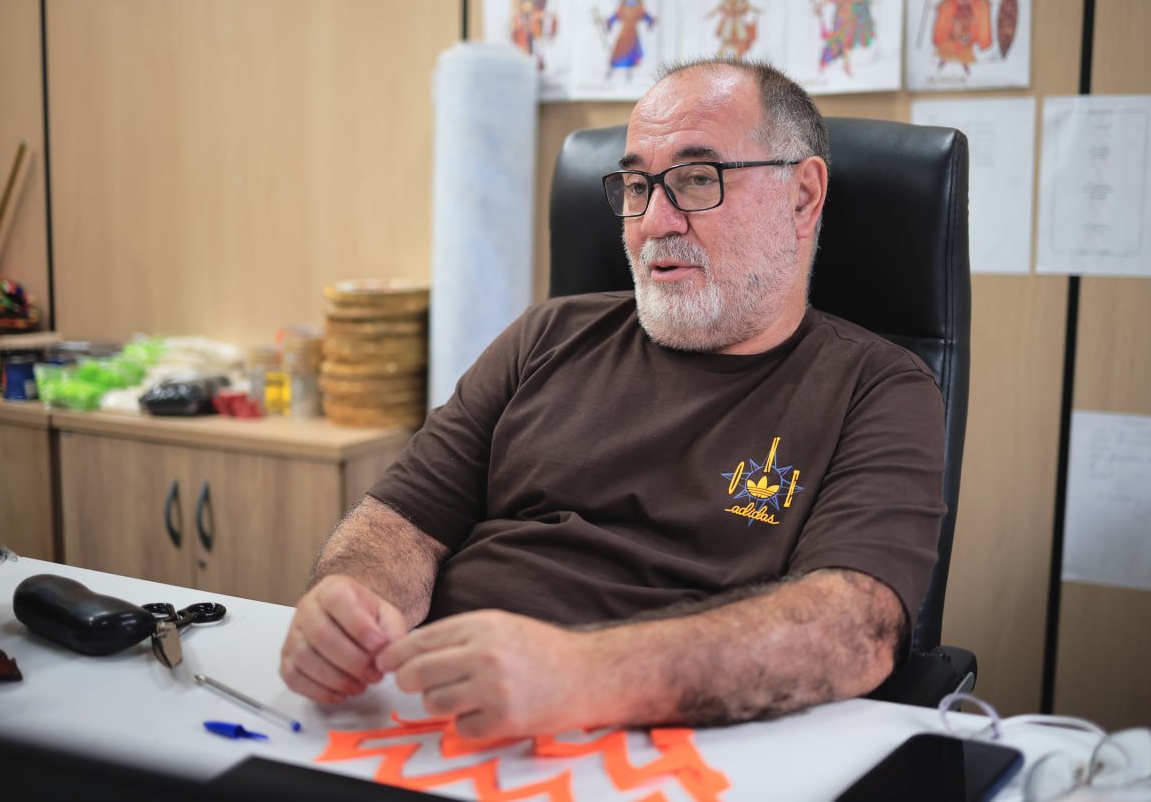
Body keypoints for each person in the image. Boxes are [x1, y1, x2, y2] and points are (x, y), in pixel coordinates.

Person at [280, 57, 946, 740]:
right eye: (636, 184)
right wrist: (350, 598)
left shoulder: (878, 387)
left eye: (694, 179)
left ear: (802, 197)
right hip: (433, 713)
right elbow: (399, 525)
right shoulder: (546, 335)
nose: (654, 220)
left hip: (667, 742)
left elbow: (851, 629)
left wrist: (582, 673)